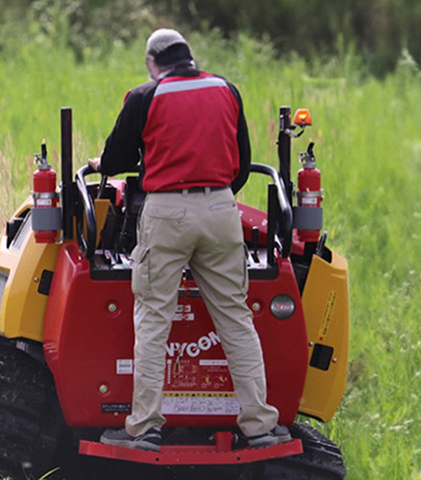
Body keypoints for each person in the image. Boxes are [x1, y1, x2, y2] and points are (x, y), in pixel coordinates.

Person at [92, 29, 289, 452]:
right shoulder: (226, 90)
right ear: (191, 58)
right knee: (235, 318)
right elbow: (240, 161)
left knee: (154, 319)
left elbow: (116, 161)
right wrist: (215, 195)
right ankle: (259, 426)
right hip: (221, 210)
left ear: (152, 61)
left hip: (166, 212)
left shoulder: (145, 96)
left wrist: (101, 163)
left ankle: (144, 428)